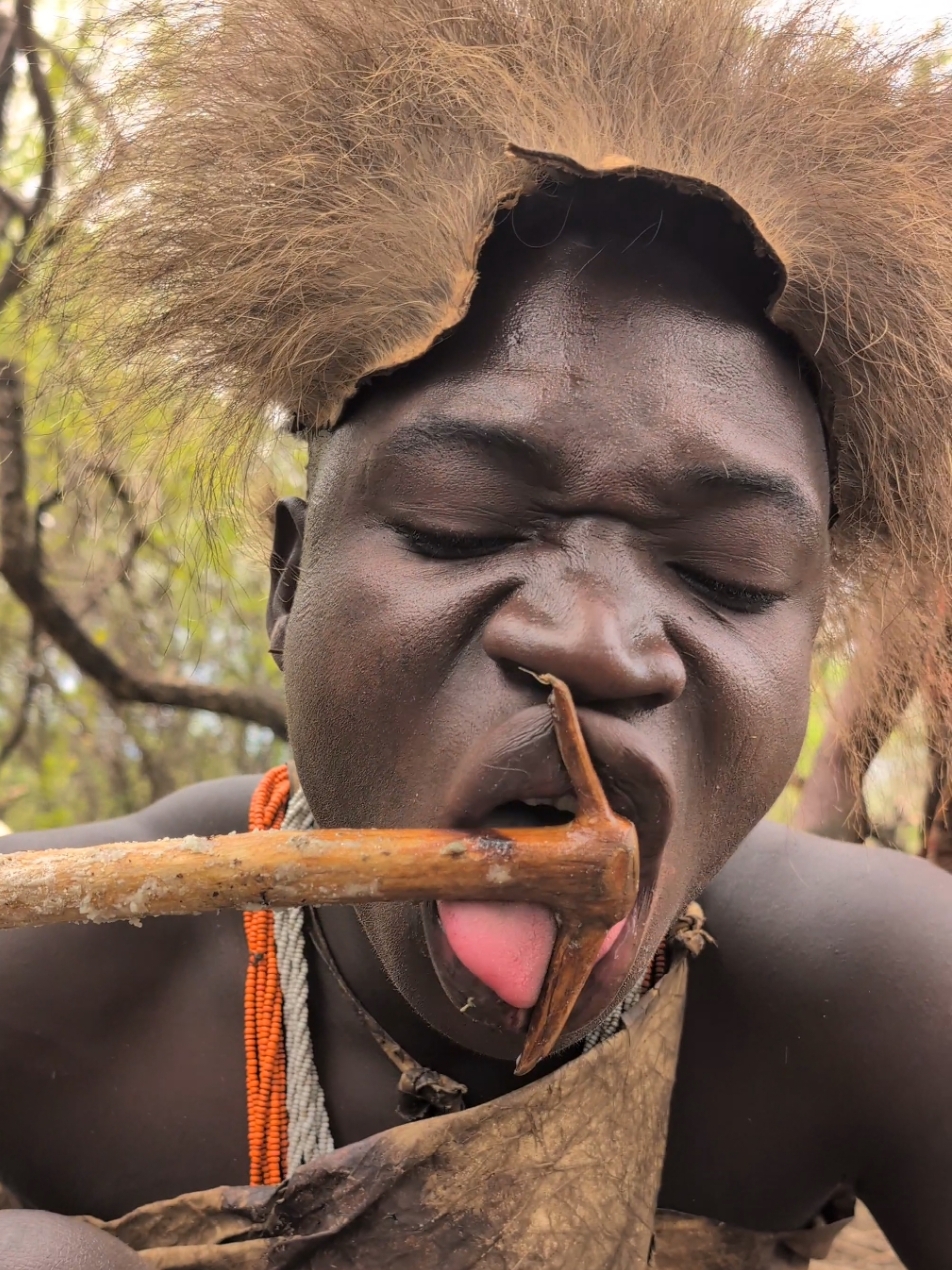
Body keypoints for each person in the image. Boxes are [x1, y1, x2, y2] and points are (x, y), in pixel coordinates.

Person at [1, 0, 951, 1265]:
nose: (600, 643)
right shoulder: (44, 987)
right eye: (461, 522)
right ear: (289, 581)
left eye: (727, 572)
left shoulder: (882, 995)